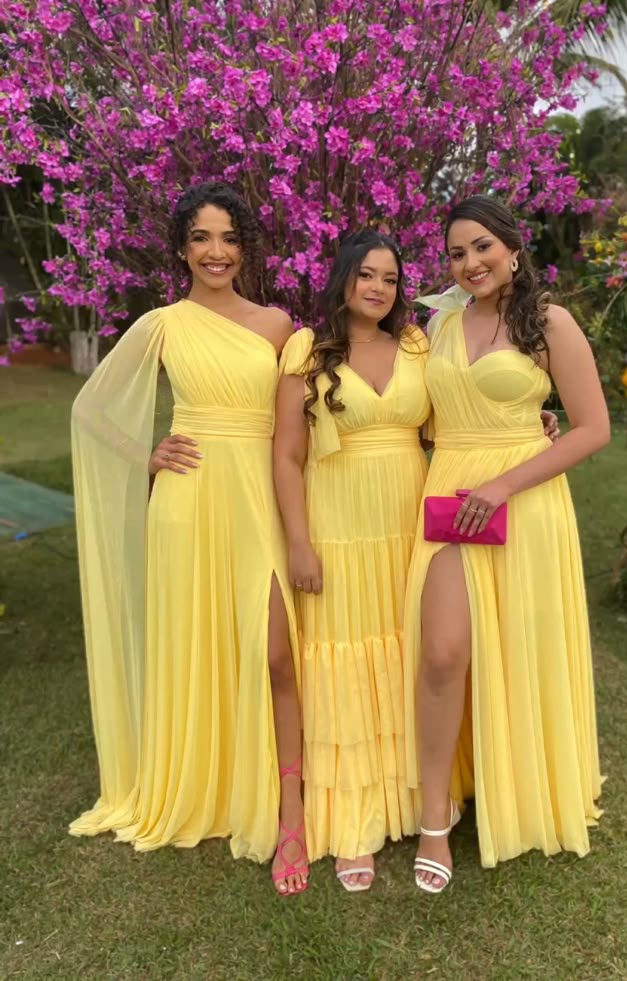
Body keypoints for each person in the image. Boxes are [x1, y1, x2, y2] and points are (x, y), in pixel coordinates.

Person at [272, 230, 560, 892]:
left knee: (414, 657)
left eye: (391, 278)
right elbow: (285, 454)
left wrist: (531, 422)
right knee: (345, 659)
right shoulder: (306, 349)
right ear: (343, 278)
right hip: (338, 527)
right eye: (366, 274)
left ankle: (418, 800)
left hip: (411, 521)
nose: (379, 288)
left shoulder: (416, 345)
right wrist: (298, 541)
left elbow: (457, 415)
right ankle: (352, 818)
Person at [70, 182, 308, 896]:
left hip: (257, 499)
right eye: (201, 237)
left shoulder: (276, 326)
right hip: (188, 499)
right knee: (196, 641)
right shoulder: (162, 325)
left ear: (245, 248)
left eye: (229, 237)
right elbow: (89, 409)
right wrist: (145, 456)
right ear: (181, 248)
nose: (216, 251)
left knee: (275, 650)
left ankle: (290, 809)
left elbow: (305, 420)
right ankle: (208, 786)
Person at [405, 195, 609, 894]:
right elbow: (424, 417)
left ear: (513, 248)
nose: (471, 263)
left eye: (482, 247)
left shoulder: (548, 322)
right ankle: (435, 813)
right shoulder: (439, 324)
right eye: (457, 253)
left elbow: (593, 428)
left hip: (522, 499)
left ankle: (521, 784)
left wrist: (507, 478)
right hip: (448, 490)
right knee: (442, 652)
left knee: (519, 646)